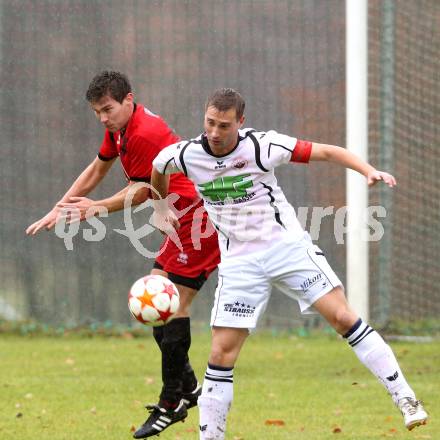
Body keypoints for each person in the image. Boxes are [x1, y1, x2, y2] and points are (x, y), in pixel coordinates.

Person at [150, 88, 428, 439]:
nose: (215, 133)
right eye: (210, 123)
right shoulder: (186, 154)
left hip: (287, 249)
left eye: (224, 125)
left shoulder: (263, 146)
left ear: (241, 122)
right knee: (220, 353)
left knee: (343, 317)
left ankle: (405, 398)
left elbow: (326, 151)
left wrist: (367, 170)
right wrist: (161, 208)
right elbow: (158, 167)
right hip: (239, 262)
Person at [25, 71, 220, 439]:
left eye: (108, 109)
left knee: (172, 305)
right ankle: (189, 387)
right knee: (156, 303)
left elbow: (146, 190)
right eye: (98, 111)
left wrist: (95, 208)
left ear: (128, 100)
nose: (103, 117)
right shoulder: (121, 129)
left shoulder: (144, 133)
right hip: (179, 219)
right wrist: (61, 207)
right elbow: (98, 167)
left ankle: (170, 403)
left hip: (196, 218)